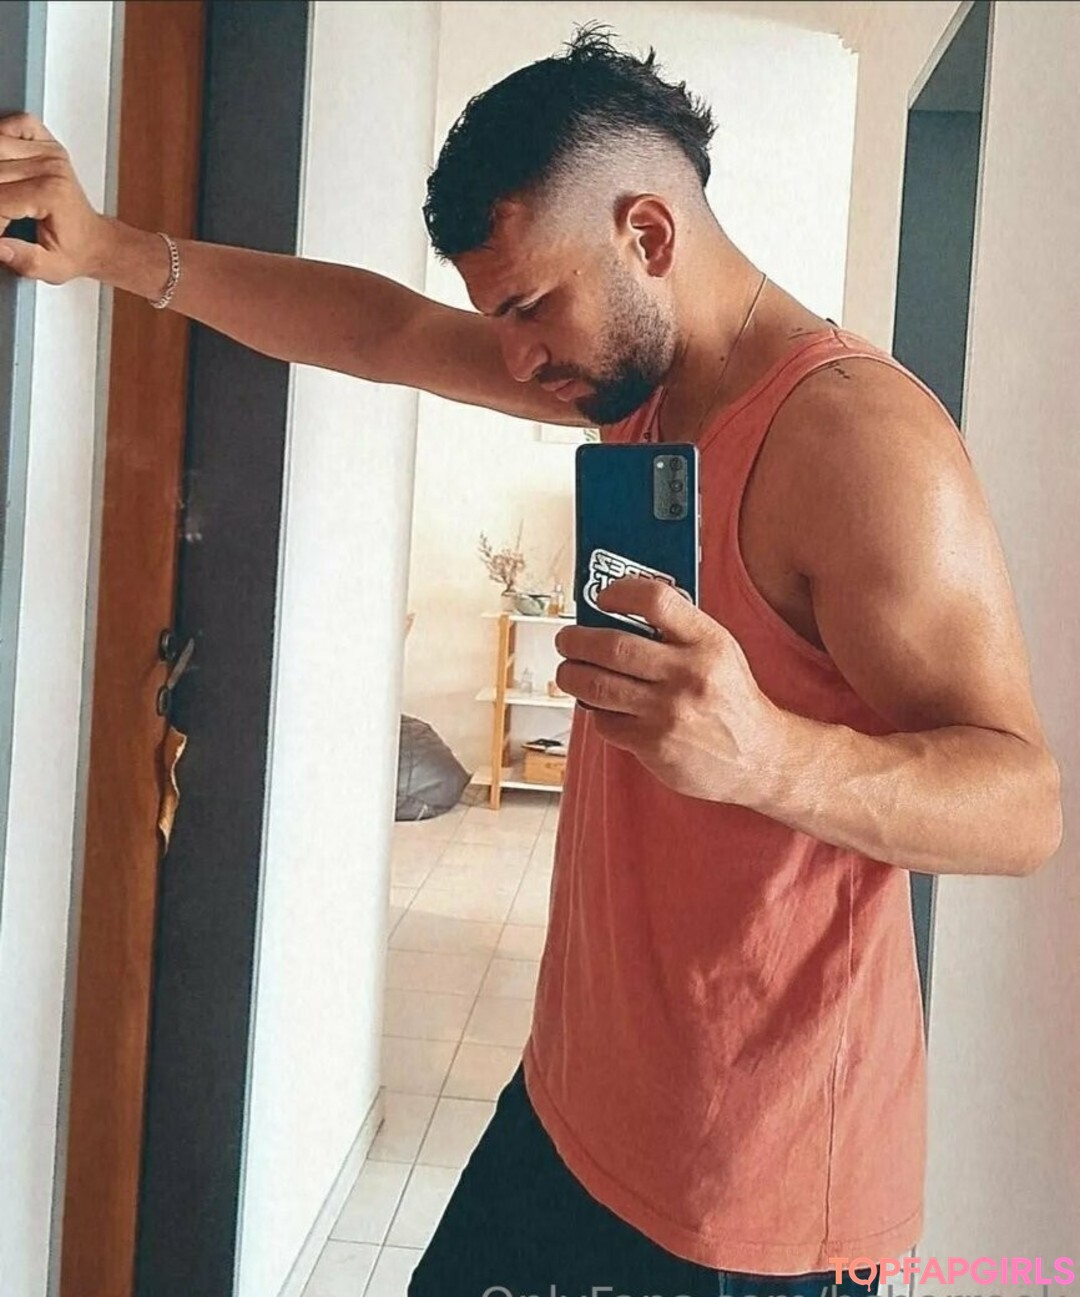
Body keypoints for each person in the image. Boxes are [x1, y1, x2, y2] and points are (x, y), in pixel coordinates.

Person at [0, 26, 1062, 1297]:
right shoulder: (639, 388)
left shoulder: (860, 442)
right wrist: (110, 250)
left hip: (748, 1189)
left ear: (647, 234)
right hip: (571, 1101)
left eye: (527, 308)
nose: (515, 358)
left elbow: (1023, 806)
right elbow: (386, 331)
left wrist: (770, 754)